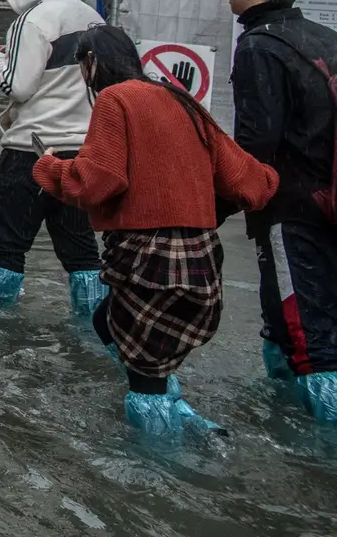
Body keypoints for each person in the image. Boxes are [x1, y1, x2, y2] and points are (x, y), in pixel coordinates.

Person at [35, 26, 277, 436]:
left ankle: (158, 471)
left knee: (142, 378)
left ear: (91, 61)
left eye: (81, 66)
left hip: (148, 261)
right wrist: (205, 210)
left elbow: (97, 181)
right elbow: (252, 182)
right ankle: (178, 409)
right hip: (201, 261)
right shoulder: (182, 100)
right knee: (103, 321)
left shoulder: (115, 98)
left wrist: (50, 166)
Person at [226, 0, 337, 422]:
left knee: (307, 333)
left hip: (291, 213)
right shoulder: (325, 38)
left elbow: (257, 143)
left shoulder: (258, 46)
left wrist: (219, 202)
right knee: (303, 320)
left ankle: (317, 450)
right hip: (328, 202)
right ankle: (286, 417)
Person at [0, 0, 106, 315]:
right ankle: (94, 327)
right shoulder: (91, 15)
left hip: (29, 152)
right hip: (82, 153)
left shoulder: (31, 20)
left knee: (6, 248)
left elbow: (18, 87)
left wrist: (0, 60)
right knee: (81, 252)